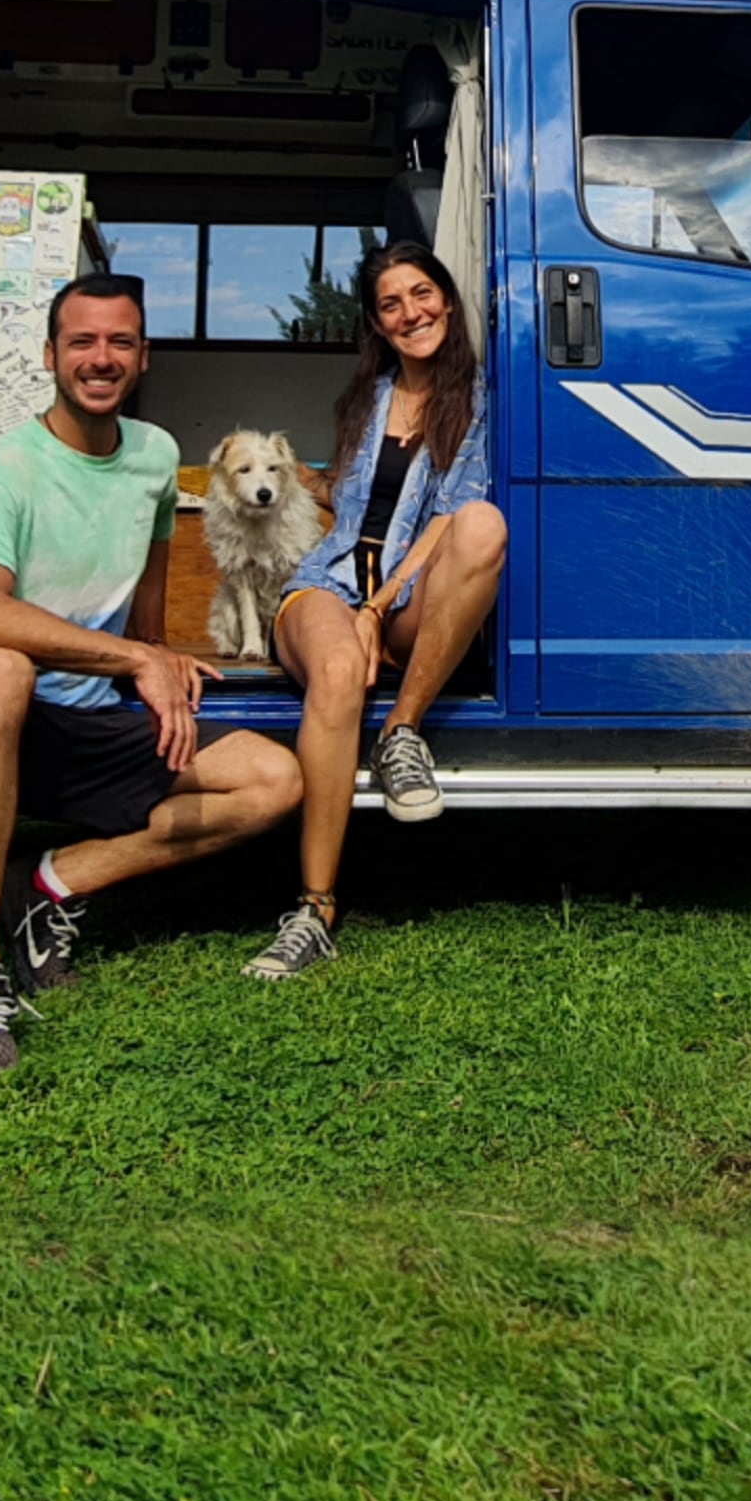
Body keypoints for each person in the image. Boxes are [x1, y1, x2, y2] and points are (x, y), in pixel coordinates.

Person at [0, 272, 303, 1080]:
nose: (101, 357)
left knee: (274, 779)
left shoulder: (154, 456)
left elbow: (145, 608)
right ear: (51, 355)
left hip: (89, 719)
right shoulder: (1, 469)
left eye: (120, 341)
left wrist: (159, 656)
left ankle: (45, 885)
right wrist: (134, 659)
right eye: (81, 341)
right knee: (0, 669)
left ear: (143, 356)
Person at [252, 239, 505, 981]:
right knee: (336, 672)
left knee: (483, 524)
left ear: (447, 300)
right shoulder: (368, 396)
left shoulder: (480, 398)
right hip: (328, 583)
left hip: (403, 598)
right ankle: (314, 908)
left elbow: (447, 516)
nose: (410, 312)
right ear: (377, 322)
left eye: (422, 294)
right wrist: (300, 479)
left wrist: (380, 607)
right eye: (391, 304)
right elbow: (355, 499)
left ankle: (401, 732)